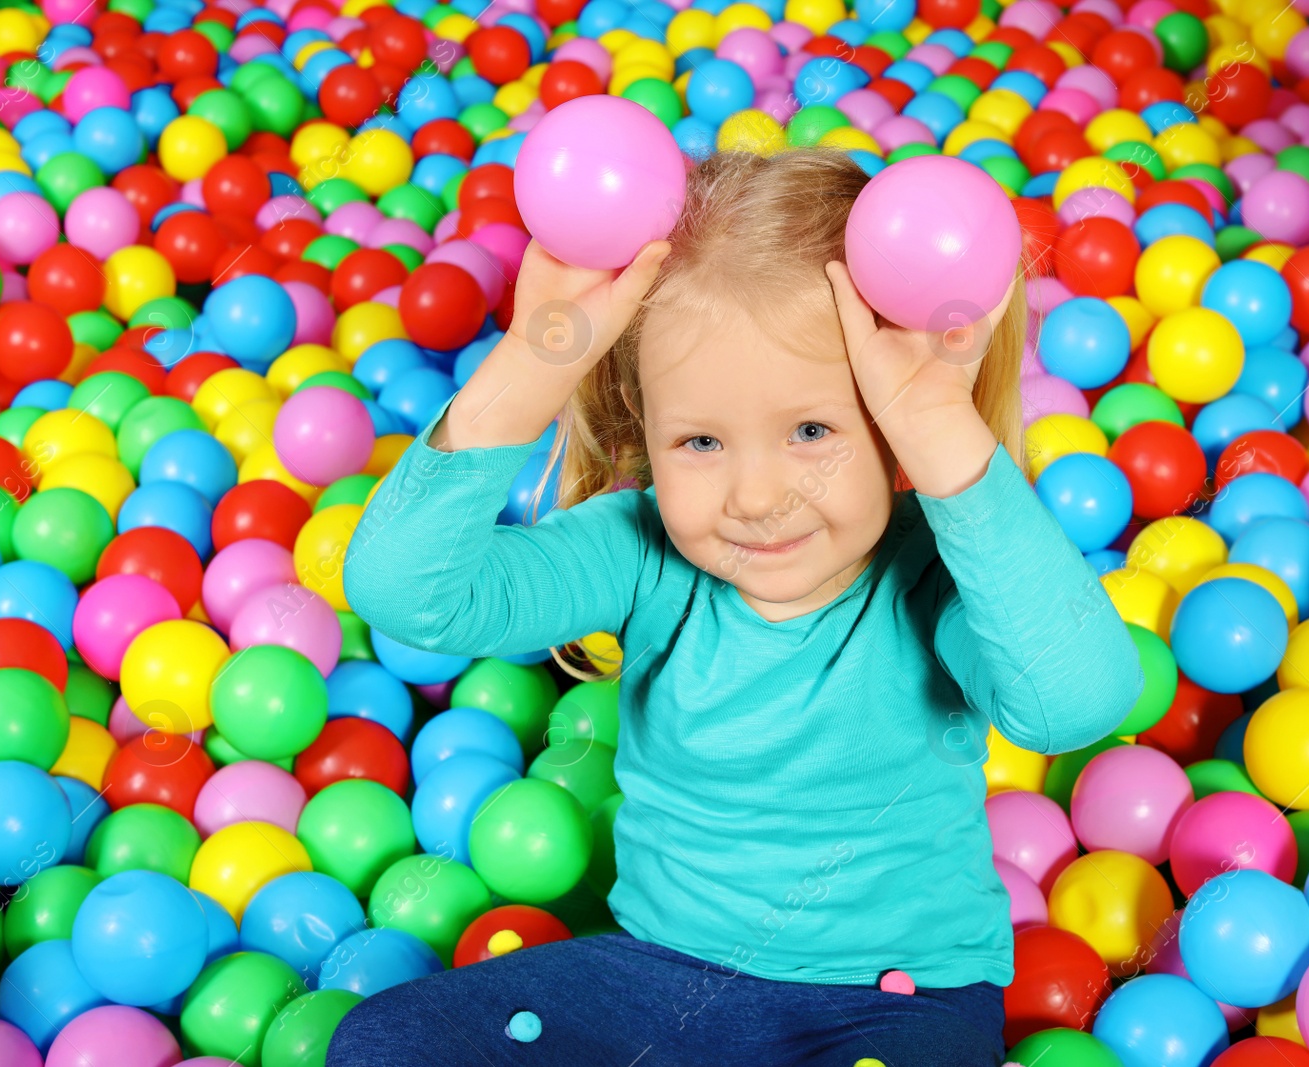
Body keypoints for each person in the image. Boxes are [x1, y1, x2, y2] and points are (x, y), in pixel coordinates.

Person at [333, 148, 1144, 1067]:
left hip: (891, 1003)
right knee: (385, 1039)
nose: (756, 497)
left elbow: (1076, 703)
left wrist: (940, 428)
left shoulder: (933, 573)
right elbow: (408, 597)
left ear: (888, 426)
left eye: (812, 431)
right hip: (655, 977)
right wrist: (534, 355)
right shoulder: (639, 550)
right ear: (647, 425)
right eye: (702, 440)